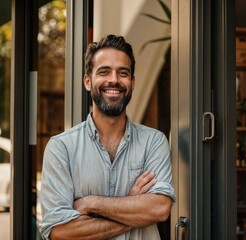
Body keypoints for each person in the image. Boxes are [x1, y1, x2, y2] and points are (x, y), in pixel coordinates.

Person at [39, 34, 176, 240]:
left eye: (123, 73)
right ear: (88, 81)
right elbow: (60, 231)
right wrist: (132, 203)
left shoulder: (154, 142)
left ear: (132, 82)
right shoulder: (61, 148)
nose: (114, 80)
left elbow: (159, 209)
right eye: (104, 72)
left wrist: (92, 204)